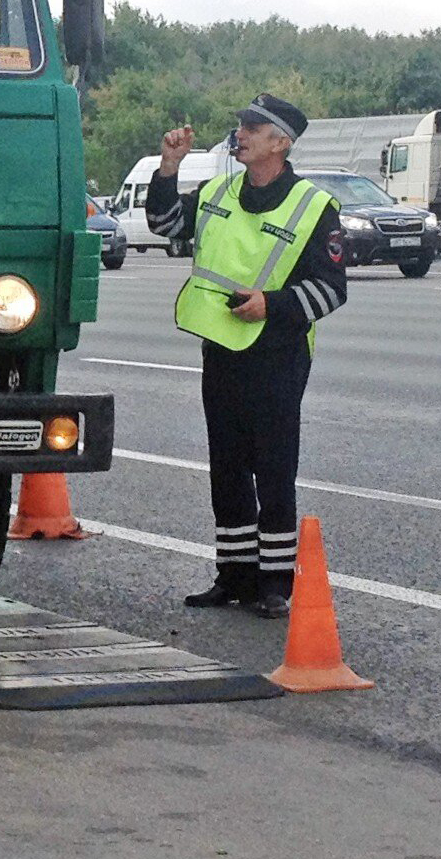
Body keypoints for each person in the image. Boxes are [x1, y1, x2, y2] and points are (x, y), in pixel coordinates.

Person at [146, 94, 347, 619]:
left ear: (281, 143)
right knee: (227, 467)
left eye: (253, 128)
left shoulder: (312, 207)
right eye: (240, 126)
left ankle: (275, 582)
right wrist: (169, 168)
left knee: (273, 469)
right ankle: (233, 576)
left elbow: (330, 290)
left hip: (277, 355)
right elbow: (165, 225)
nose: (241, 134)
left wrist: (271, 306)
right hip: (222, 349)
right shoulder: (217, 191)